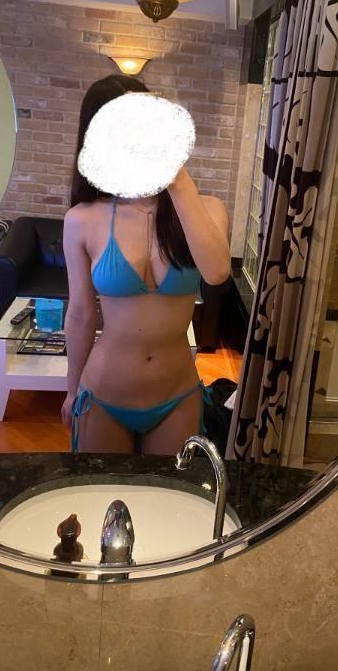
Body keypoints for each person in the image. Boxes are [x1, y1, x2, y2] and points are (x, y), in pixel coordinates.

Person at [61, 75, 231, 455]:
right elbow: (81, 314)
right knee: (101, 492)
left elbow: (217, 272)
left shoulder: (206, 208)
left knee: (168, 494)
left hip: (177, 395)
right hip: (103, 395)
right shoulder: (82, 219)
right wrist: (71, 391)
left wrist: (177, 178)